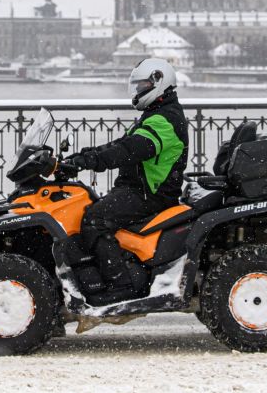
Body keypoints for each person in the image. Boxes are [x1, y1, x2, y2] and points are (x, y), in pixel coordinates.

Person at [65, 58, 188, 303]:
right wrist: (83, 156)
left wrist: (89, 162)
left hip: (150, 195)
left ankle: (121, 285)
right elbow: (121, 144)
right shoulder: (157, 114)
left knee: (94, 220)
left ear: (158, 82)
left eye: (142, 85)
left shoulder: (165, 120)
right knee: (85, 202)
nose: (138, 91)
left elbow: (130, 150)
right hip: (137, 189)